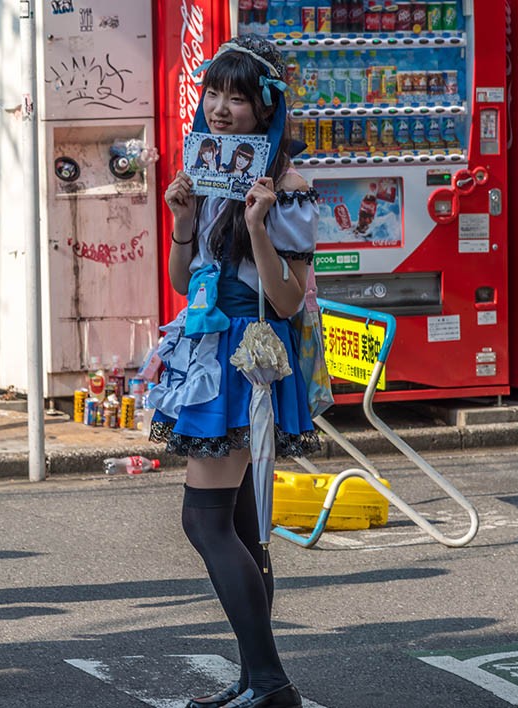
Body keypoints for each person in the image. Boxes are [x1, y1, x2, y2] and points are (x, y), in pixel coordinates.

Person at [152, 34, 318, 708]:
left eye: (237, 96)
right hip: (207, 345)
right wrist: (184, 221)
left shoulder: (291, 187)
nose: (219, 108)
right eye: (212, 93)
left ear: (265, 106)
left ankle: (270, 679)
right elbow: (180, 280)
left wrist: (258, 224)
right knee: (243, 525)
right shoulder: (207, 172)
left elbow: (286, 300)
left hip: (247, 356)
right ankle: (256, 680)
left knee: (205, 520)